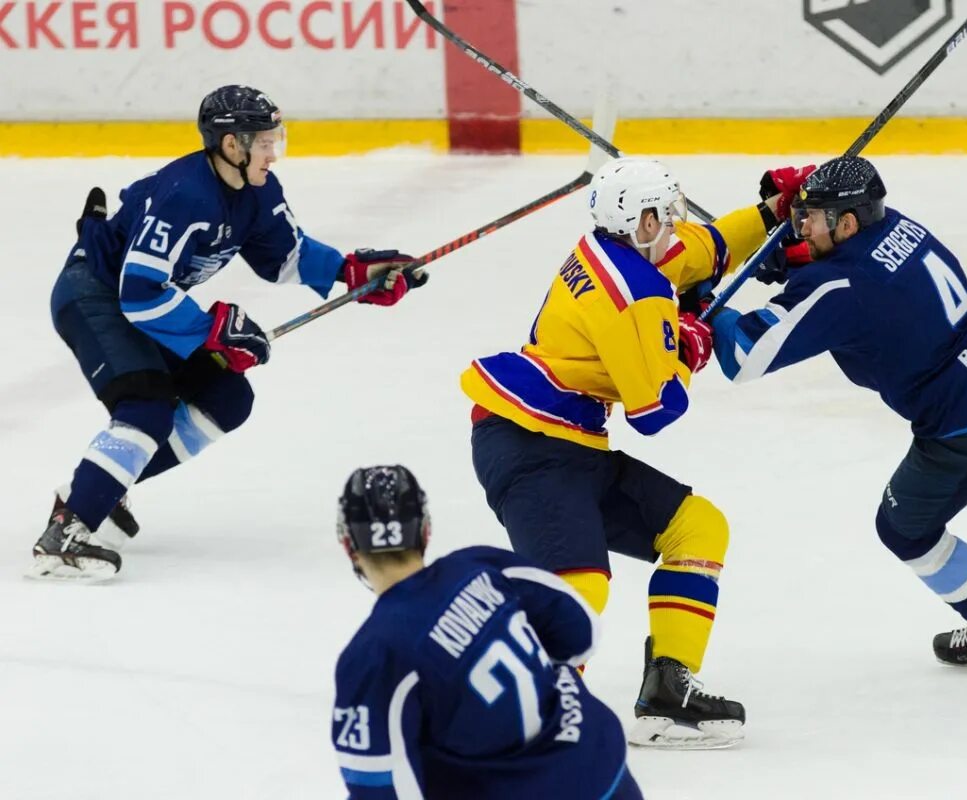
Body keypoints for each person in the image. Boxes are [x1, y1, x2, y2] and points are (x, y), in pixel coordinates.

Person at [709, 156, 967, 667]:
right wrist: (790, 255)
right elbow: (848, 274)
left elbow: (745, 354)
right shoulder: (897, 224)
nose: (801, 227)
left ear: (847, 222)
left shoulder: (839, 287)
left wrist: (704, 299)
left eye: (810, 218)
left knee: (903, 527)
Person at [460, 156, 814, 746]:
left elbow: (704, 250)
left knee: (696, 529)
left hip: (565, 443)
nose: (674, 224)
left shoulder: (616, 249)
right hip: (531, 446)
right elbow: (656, 411)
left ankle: (667, 691)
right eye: (666, 215)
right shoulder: (635, 293)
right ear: (642, 221)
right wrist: (690, 342)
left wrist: (770, 215)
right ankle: (517, 714)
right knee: (580, 581)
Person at [30, 85, 427, 582]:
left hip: (146, 303)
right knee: (146, 406)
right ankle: (65, 533)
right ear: (230, 145)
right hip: (94, 295)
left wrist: (351, 275)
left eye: (273, 138)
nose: (272, 151)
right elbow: (139, 292)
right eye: (262, 141)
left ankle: (95, 490)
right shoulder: (185, 195)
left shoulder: (259, 191)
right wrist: (208, 332)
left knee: (226, 398)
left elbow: (289, 256)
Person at [331, 465, 641, 799]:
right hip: (602, 763)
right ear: (425, 531)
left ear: (348, 544)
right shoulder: (480, 566)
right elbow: (581, 632)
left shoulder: (374, 654)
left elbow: (378, 787)